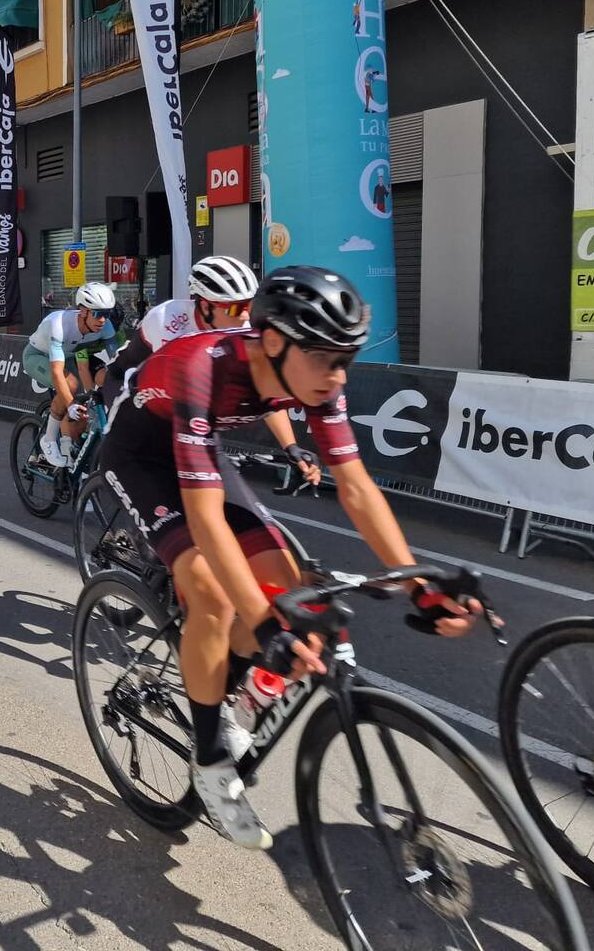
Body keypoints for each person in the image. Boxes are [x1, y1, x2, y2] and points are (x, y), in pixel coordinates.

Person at [99, 266, 482, 851]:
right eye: (328, 359)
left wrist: (416, 583)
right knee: (213, 595)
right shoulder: (205, 364)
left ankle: (231, 690)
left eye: (346, 360)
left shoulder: (314, 376)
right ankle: (209, 762)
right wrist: (258, 618)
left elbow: (354, 486)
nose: (338, 376)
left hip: (198, 454)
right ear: (274, 341)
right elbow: (203, 517)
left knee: (288, 586)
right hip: (140, 458)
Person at [105, 255, 320, 486]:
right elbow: (169, 394)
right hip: (127, 381)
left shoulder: (246, 329)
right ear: (205, 306)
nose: (246, 316)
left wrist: (290, 446)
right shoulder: (169, 320)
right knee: (149, 465)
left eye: (249, 305)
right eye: (236, 308)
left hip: (178, 397)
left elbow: (266, 393)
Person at [24, 282, 117, 467]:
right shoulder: (58, 323)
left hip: (68, 358)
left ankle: (68, 446)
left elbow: (117, 362)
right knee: (71, 387)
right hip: (37, 356)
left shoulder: (106, 327)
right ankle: (49, 439)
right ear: (83, 311)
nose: (103, 320)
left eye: (107, 314)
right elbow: (57, 371)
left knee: (86, 397)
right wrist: (70, 404)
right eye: (98, 314)